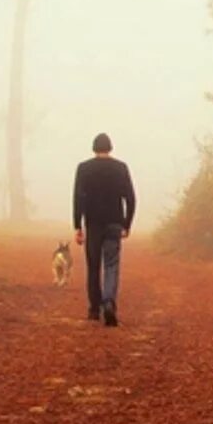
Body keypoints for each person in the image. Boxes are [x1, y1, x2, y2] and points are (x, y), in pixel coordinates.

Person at [72, 132, 136, 326]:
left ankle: (94, 309)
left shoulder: (84, 168)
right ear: (110, 147)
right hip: (114, 223)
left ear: (94, 148)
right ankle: (109, 301)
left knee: (93, 266)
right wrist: (126, 224)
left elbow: (78, 198)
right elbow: (131, 198)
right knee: (111, 265)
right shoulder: (120, 168)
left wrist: (77, 225)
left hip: (93, 224)